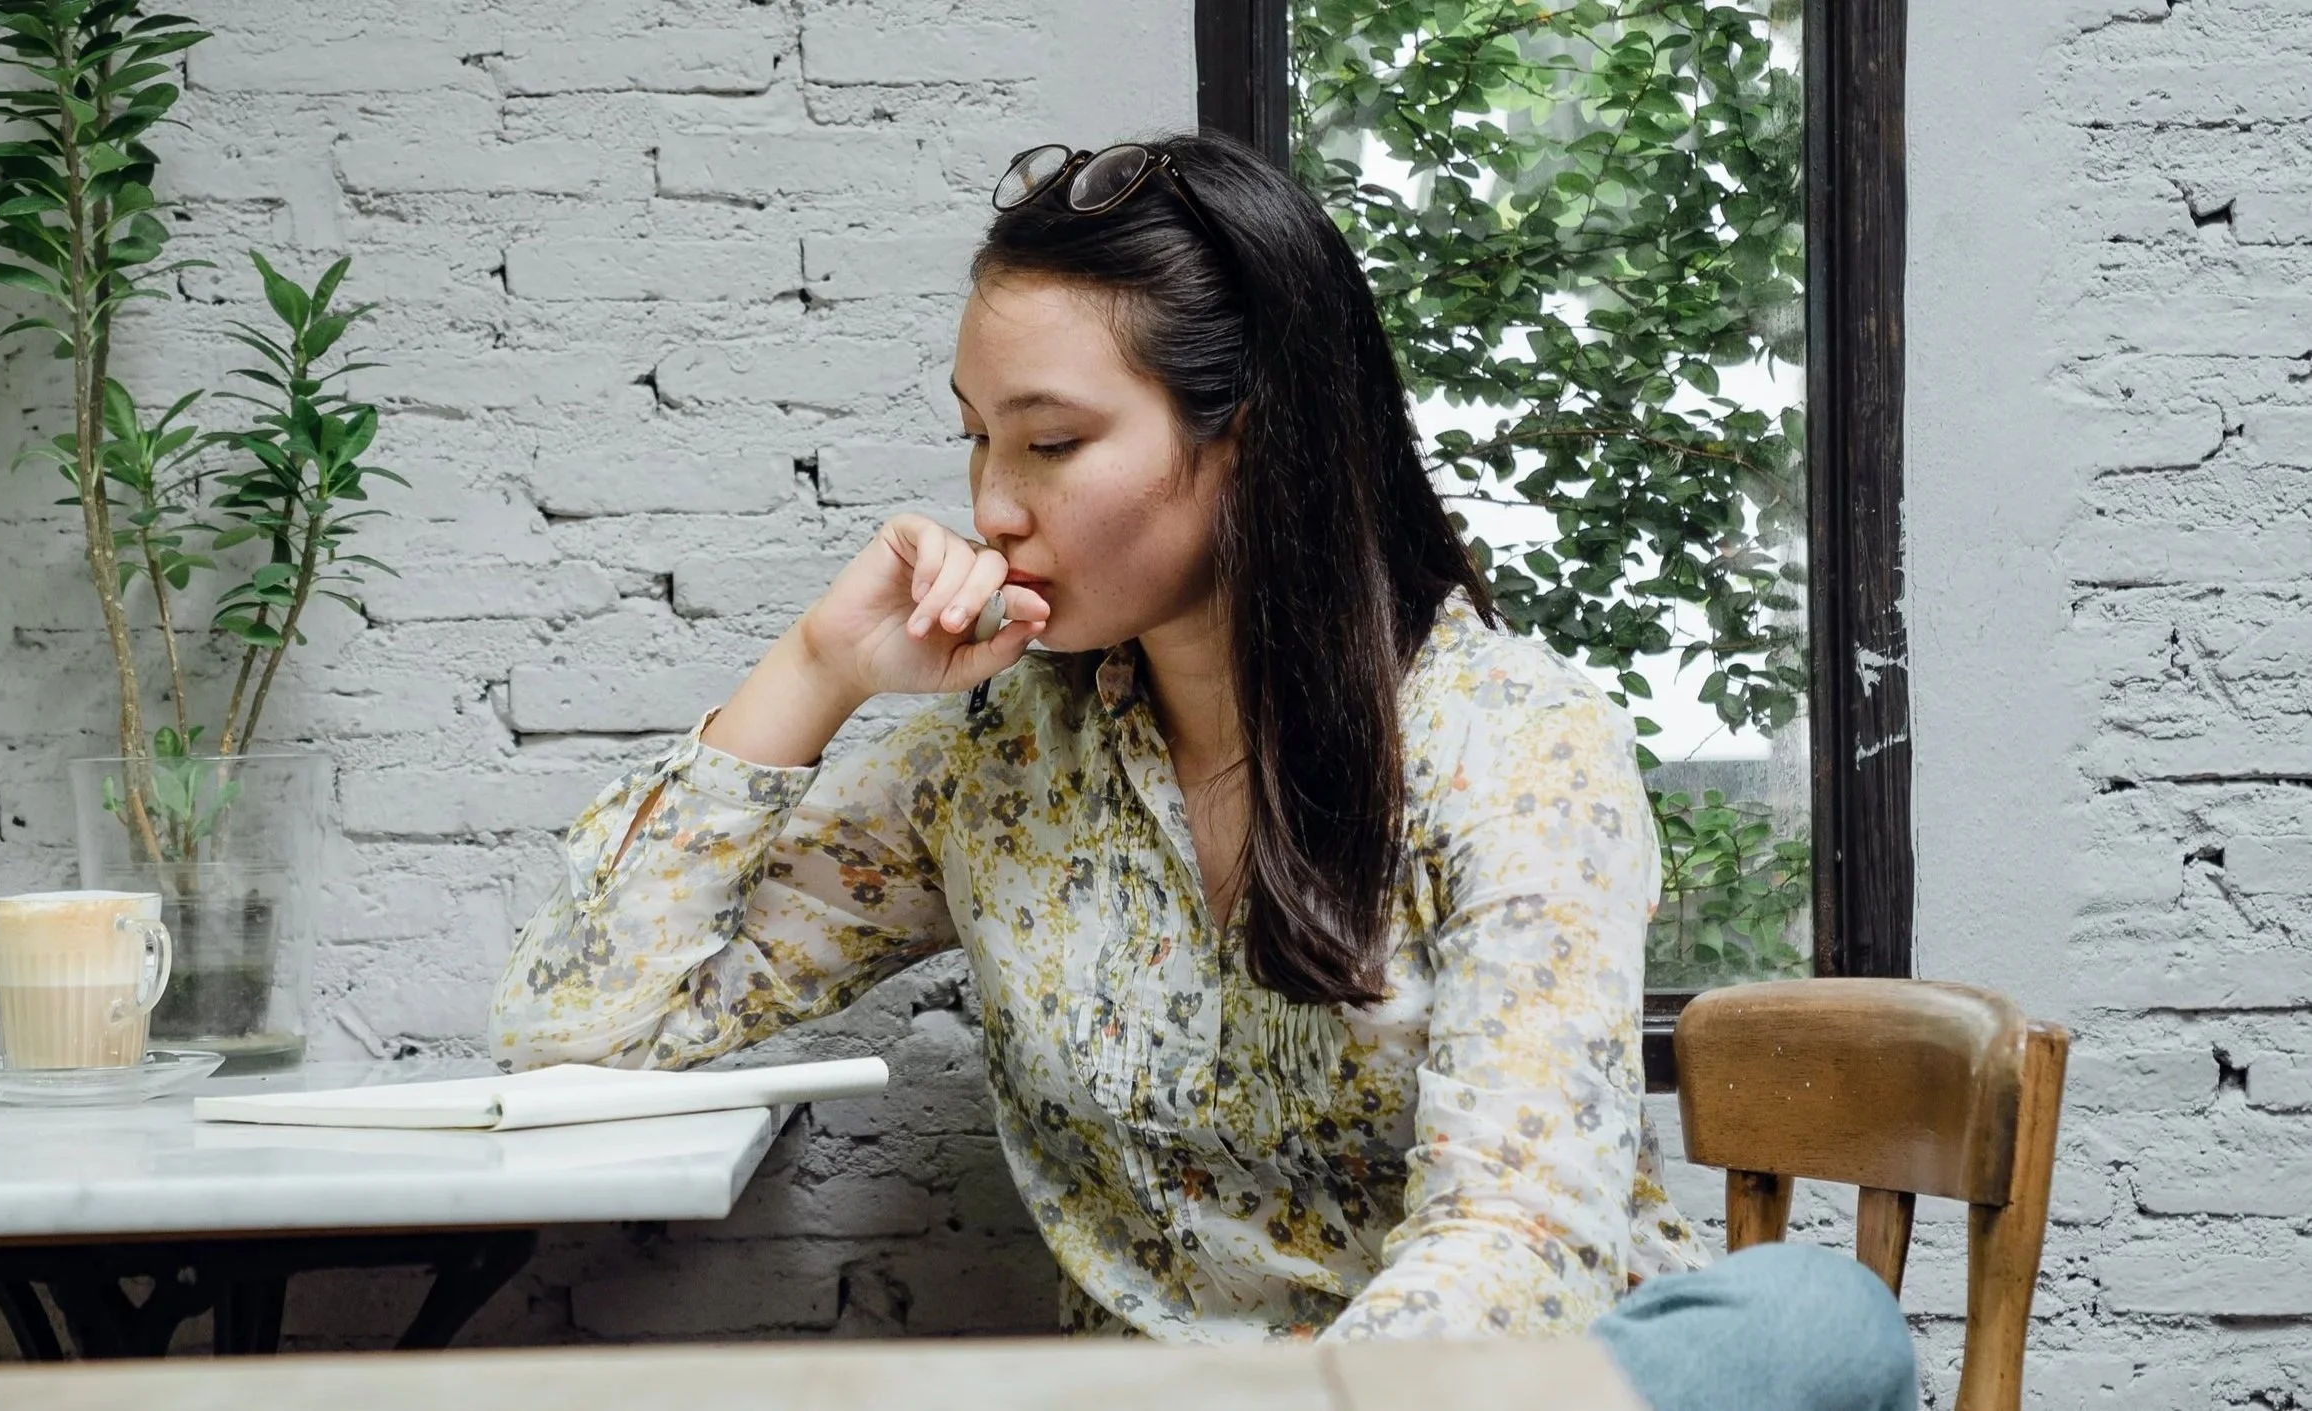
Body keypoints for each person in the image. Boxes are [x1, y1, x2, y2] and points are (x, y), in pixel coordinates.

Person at [490, 130, 1916, 1411]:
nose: (993, 504)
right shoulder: (995, 764)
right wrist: (817, 668)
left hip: (1497, 1391)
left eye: (1052, 442)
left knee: (1815, 1315)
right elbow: (577, 1034)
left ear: (1254, 435)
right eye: (978, 438)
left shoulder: (1512, 740)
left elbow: (1517, 1241)